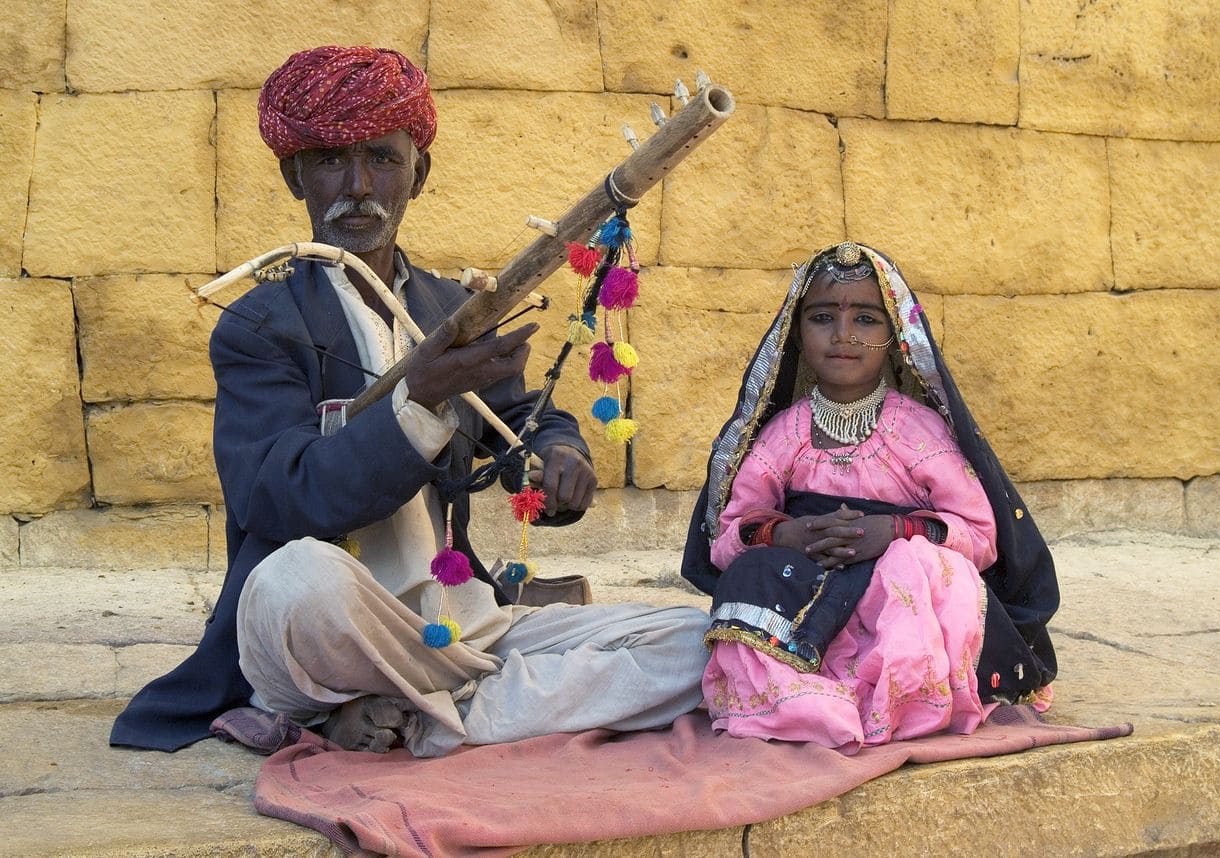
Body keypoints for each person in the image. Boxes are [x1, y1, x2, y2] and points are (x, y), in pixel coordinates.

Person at [110, 45, 708, 756]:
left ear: (417, 175)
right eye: (332, 160)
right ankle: (470, 703)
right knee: (293, 581)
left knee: (702, 641)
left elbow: (516, 419)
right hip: (338, 620)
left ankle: (417, 714)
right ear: (294, 174)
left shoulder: (452, 305)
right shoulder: (259, 325)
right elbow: (277, 496)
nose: (358, 186)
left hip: (460, 623)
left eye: (383, 160)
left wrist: (556, 452)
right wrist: (417, 403)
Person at [680, 241, 1059, 753]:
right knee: (751, 572)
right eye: (821, 318)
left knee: (921, 567)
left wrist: (896, 532)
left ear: (895, 335)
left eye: (865, 320)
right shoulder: (782, 435)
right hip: (809, 588)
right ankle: (804, 700)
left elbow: (982, 537)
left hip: (895, 606)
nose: (842, 336)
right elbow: (727, 538)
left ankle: (900, 699)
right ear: (796, 331)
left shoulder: (919, 433)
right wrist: (784, 534)